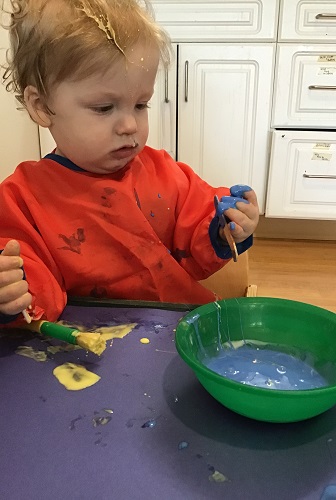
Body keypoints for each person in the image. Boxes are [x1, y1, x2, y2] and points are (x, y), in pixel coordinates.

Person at [0, 0, 259, 326]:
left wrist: (226, 225)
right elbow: (34, 296)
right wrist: (12, 292)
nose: (129, 125)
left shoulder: (164, 172)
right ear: (41, 106)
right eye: (104, 108)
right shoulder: (23, 200)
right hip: (91, 349)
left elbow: (200, 224)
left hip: (177, 329)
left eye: (140, 104)